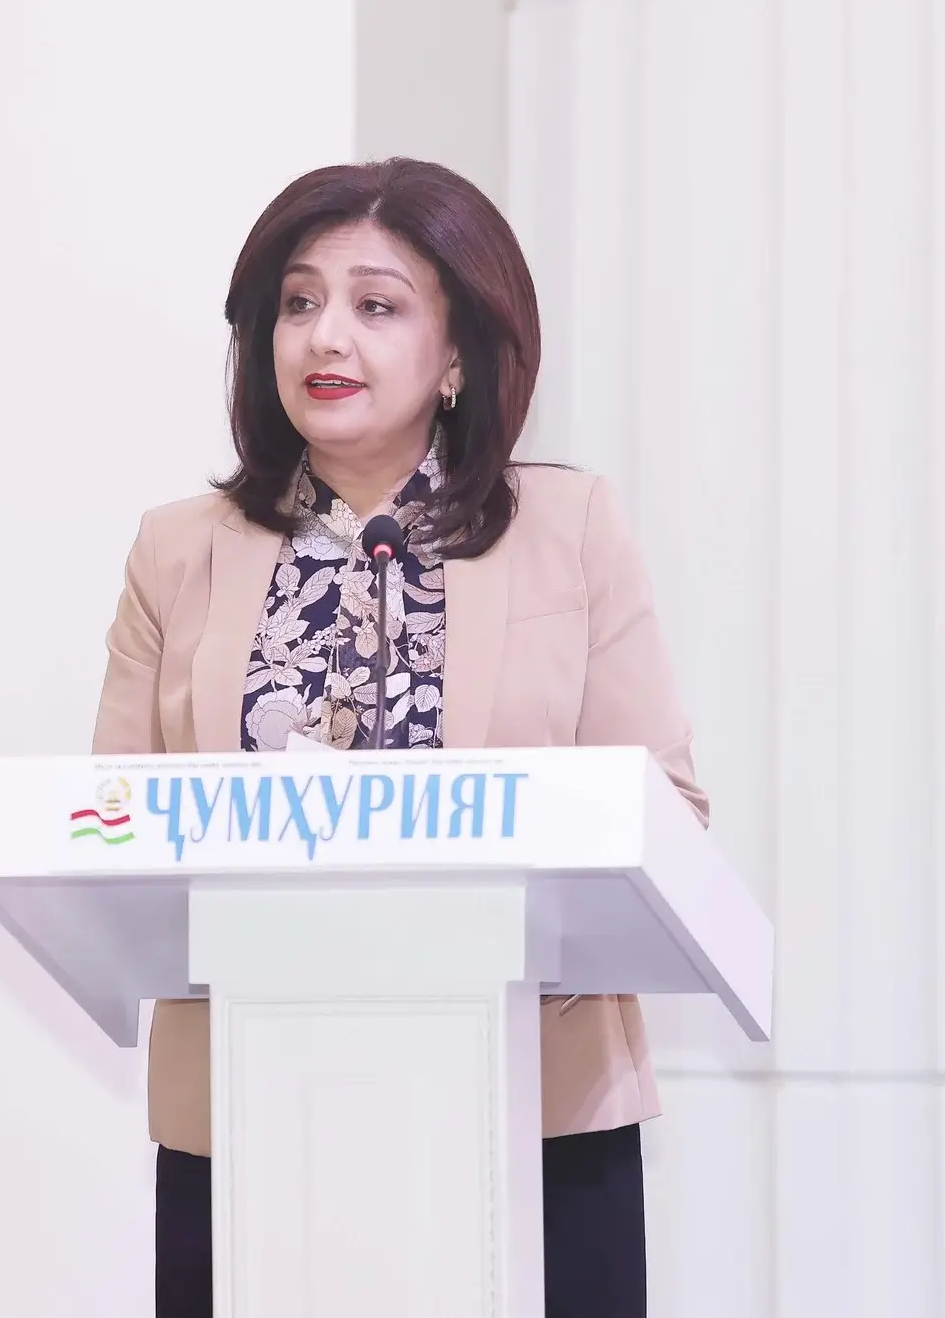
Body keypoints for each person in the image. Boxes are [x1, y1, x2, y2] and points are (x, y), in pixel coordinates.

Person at [89, 157, 710, 1318]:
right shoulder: (176, 550)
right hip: (245, 1115)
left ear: (458, 356)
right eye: (297, 301)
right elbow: (108, 834)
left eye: (375, 305)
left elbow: (664, 817)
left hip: (529, 1114)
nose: (325, 335)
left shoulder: (567, 529)